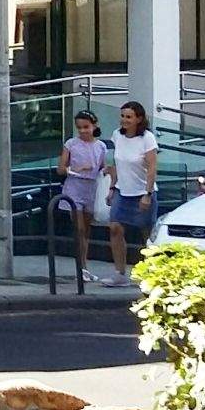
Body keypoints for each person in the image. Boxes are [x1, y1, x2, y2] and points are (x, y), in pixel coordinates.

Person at [100, 101, 161, 288]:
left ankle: (155, 273)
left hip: (142, 191)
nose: (125, 120)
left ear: (139, 119)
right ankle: (120, 273)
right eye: (123, 116)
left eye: (129, 117)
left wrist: (147, 194)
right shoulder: (117, 136)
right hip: (122, 190)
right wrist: (112, 187)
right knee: (115, 228)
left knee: (146, 232)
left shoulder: (147, 138)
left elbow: (152, 167)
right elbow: (117, 164)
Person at [57, 111, 108, 282]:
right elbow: (60, 168)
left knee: (86, 229)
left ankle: (84, 266)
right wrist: (75, 170)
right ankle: (81, 266)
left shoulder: (101, 146)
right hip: (75, 187)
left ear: (94, 126)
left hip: (91, 188)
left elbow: (102, 167)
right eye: (79, 128)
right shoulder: (71, 144)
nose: (83, 131)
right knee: (79, 229)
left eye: (86, 127)